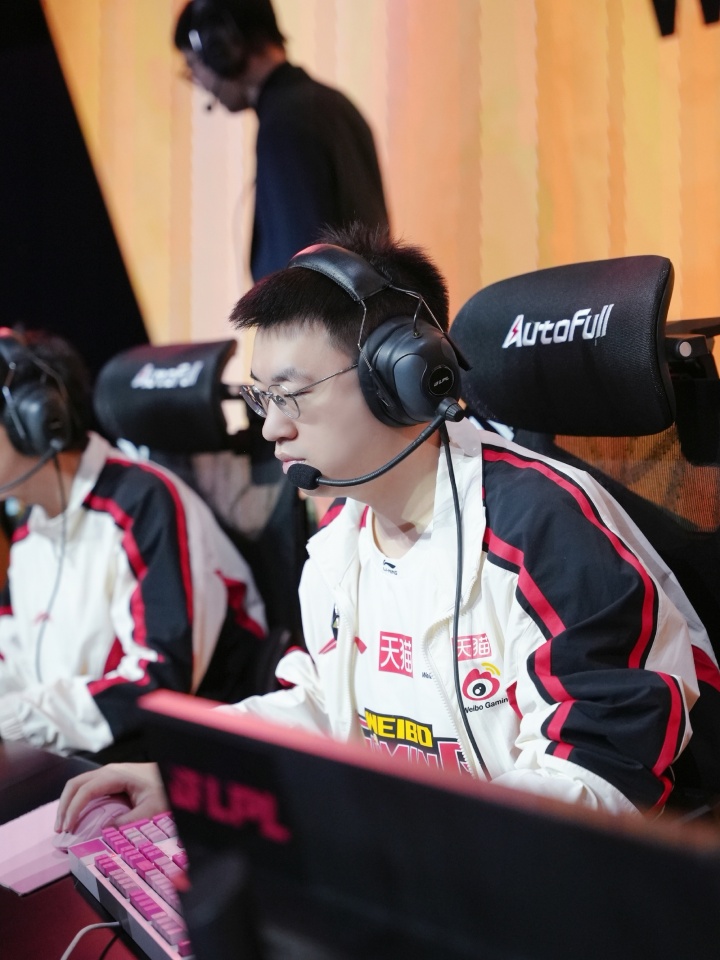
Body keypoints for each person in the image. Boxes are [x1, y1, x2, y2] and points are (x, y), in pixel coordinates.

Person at [56, 223, 720, 833]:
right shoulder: (343, 535)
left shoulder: (539, 527)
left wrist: (412, 847)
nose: (271, 428)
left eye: (291, 395)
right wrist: (190, 773)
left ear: (402, 378)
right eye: (262, 398)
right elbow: (324, 705)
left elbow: (602, 770)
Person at [0, 329, 267, 758]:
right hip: (77, 757)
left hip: (175, 760)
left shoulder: (144, 503)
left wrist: (18, 718)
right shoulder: (30, 531)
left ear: (36, 418)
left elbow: (158, 682)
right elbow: (9, 654)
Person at [173, 0, 389, 281]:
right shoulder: (336, 105)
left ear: (222, 48)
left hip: (319, 311)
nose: (199, 81)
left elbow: (298, 277)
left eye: (193, 66)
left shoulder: (284, 126)